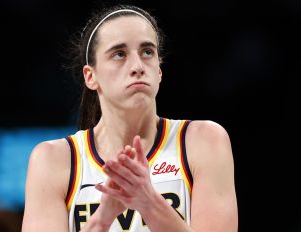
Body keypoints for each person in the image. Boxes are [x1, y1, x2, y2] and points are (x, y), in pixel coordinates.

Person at [22, 4, 238, 232]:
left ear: (159, 71)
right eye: (119, 54)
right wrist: (101, 220)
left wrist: (150, 204)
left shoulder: (203, 141)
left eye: (147, 52)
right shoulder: (53, 160)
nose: (137, 66)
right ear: (90, 76)